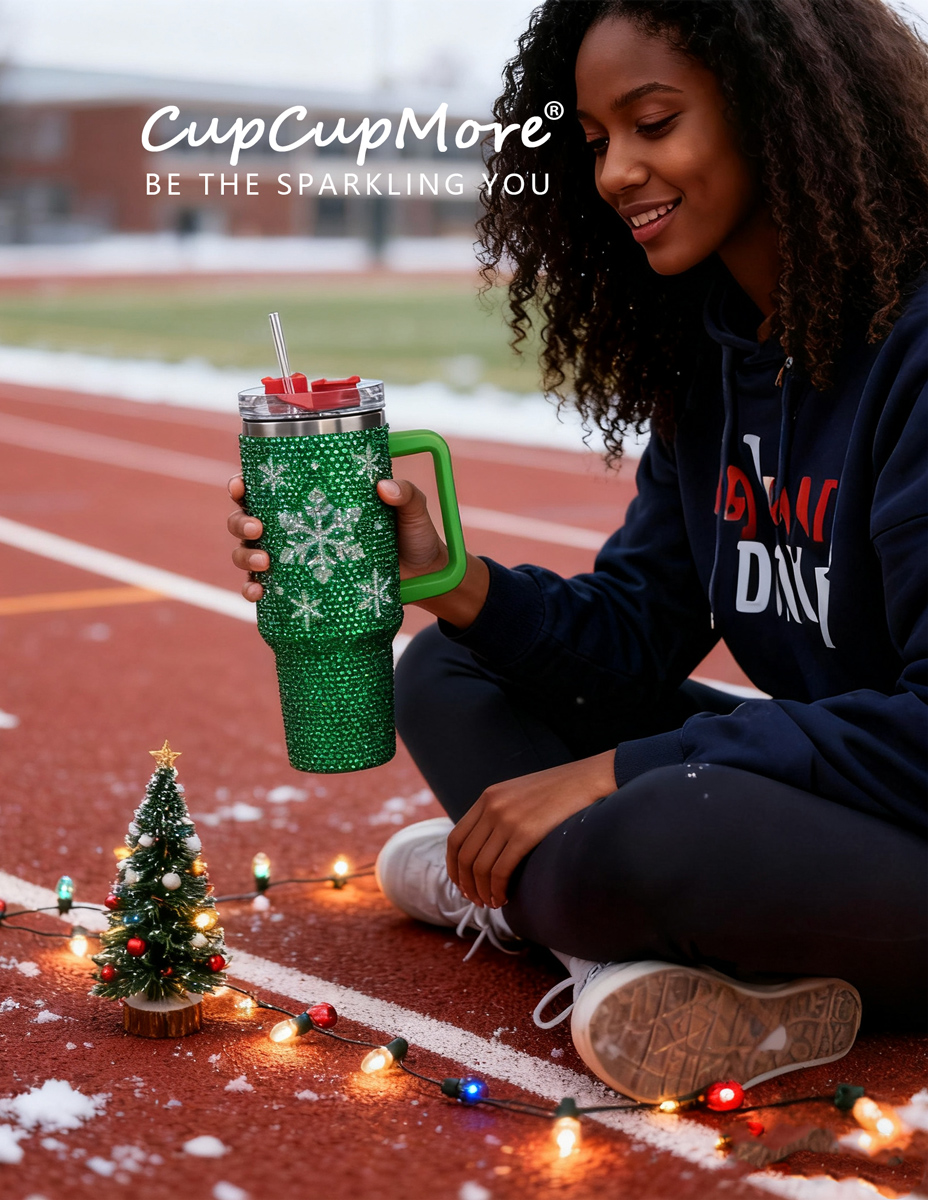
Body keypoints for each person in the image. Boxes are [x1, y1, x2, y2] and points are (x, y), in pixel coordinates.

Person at [227, 0, 927, 1102]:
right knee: (449, 672)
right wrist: (453, 583)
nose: (614, 173)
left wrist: (611, 775)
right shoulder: (718, 360)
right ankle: (615, 950)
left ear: (784, 113)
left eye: (653, 122)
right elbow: (637, 629)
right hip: (837, 796)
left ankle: (553, 907)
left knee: (654, 828)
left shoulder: (918, 356)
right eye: (598, 140)